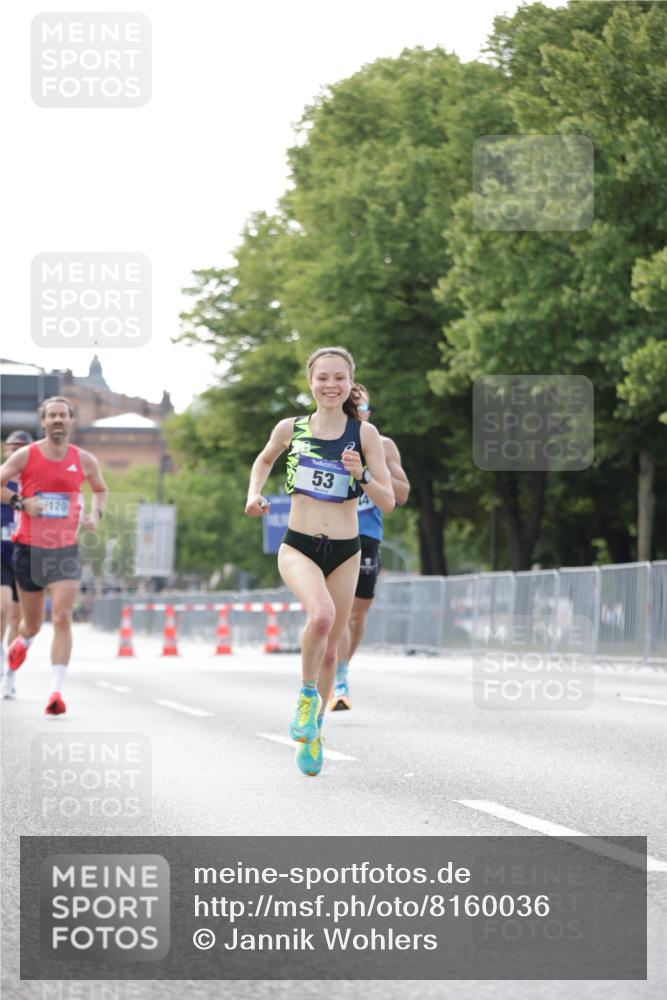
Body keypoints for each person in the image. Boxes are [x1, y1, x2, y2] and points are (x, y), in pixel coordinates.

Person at [245, 347, 394, 776]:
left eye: (339, 378)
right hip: (299, 546)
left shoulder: (364, 435)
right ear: (310, 382)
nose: (331, 385)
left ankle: (314, 733)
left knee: (332, 654)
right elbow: (264, 459)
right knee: (323, 616)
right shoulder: (290, 428)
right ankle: (307, 695)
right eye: (322, 378)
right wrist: (254, 494)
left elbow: (387, 500)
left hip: (347, 551)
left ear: (350, 382)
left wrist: (362, 474)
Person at [0, 397, 108, 715]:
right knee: (32, 625)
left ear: (72, 422)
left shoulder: (84, 460)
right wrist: (22, 503)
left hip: (64, 549)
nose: (58, 420)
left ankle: (56, 693)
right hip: (28, 548)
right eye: (52, 415)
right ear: (43, 422)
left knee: (62, 617)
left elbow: (100, 490)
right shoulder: (26, 455)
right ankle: (24, 642)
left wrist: (95, 515)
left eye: (63, 415)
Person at [331, 386, 410, 710]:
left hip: (367, 535)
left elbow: (402, 494)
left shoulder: (383, 445)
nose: (358, 413)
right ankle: (337, 678)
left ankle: (341, 668)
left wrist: (372, 470)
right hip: (335, 532)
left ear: (369, 413)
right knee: (338, 610)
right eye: (352, 408)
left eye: (362, 408)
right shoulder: (326, 440)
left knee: (357, 614)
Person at [1, 430, 34, 698]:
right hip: (1, 554)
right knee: (1, 609)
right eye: (12, 447)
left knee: (17, 617)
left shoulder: (34, 483)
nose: (15, 451)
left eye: (21, 448)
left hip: (24, 553)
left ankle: (9, 674)